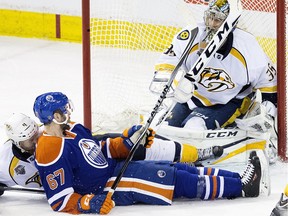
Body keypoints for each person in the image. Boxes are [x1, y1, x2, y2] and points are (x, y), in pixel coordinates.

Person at [33, 91, 268, 214]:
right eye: (64, 109)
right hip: (109, 186)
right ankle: (243, 188)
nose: (69, 111)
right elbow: (59, 199)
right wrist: (88, 203)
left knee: (181, 168)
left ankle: (240, 179)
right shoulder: (49, 150)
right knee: (176, 180)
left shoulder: (73, 129)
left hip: (114, 170)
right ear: (54, 115)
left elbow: (98, 150)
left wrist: (127, 143)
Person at [149, 0, 277, 131]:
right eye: (210, 17)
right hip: (191, 98)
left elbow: (270, 88)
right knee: (165, 128)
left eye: (218, 20)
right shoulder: (191, 36)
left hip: (228, 103)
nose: (211, 24)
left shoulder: (249, 48)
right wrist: (171, 80)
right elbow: (167, 62)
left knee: (193, 127)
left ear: (231, 23)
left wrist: (267, 110)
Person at [0, 113, 43, 196]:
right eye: (31, 140)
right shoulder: (6, 162)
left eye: (36, 135)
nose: (36, 141)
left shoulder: (51, 131)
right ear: (18, 143)